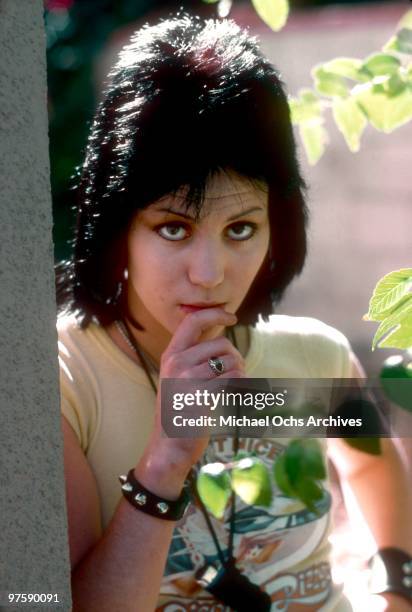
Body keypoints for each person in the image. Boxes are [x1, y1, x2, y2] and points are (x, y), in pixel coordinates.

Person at [56, 13, 412, 612]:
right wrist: (165, 463)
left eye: (242, 227)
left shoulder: (310, 355)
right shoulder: (64, 383)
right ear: (115, 224)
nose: (211, 272)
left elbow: (377, 471)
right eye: (174, 228)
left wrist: (396, 589)